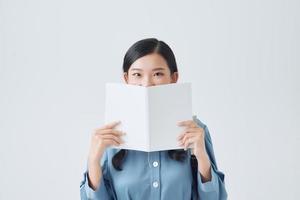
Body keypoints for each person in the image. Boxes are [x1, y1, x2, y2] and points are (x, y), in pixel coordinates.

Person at [80, 38, 227, 200]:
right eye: (137, 74)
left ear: (173, 78)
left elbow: (217, 198)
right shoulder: (108, 136)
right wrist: (93, 161)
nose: (147, 83)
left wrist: (201, 155)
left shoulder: (196, 130)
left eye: (158, 74)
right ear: (126, 79)